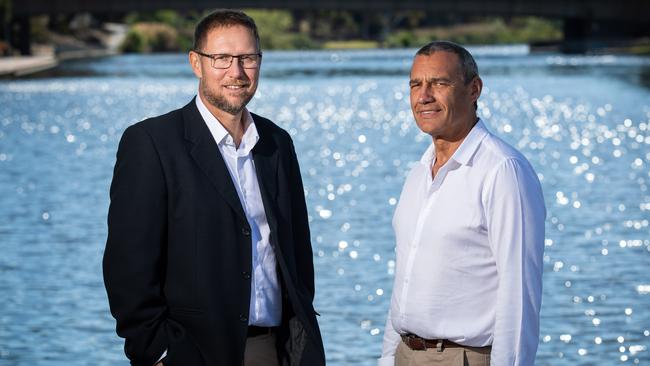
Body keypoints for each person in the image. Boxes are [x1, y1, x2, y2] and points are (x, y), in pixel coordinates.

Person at [103, 9, 325, 366]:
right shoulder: (151, 144)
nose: (236, 72)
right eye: (221, 58)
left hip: (274, 351)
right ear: (196, 63)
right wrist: (158, 351)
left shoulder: (277, 143)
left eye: (247, 58)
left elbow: (298, 254)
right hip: (191, 354)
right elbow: (127, 267)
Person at [379, 41, 546, 366]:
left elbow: (519, 296)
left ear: (474, 90)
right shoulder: (418, 174)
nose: (424, 96)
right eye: (416, 84)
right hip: (406, 354)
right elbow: (405, 282)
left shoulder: (502, 171)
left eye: (439, 83)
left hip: (464, 358)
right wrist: (388, 358)